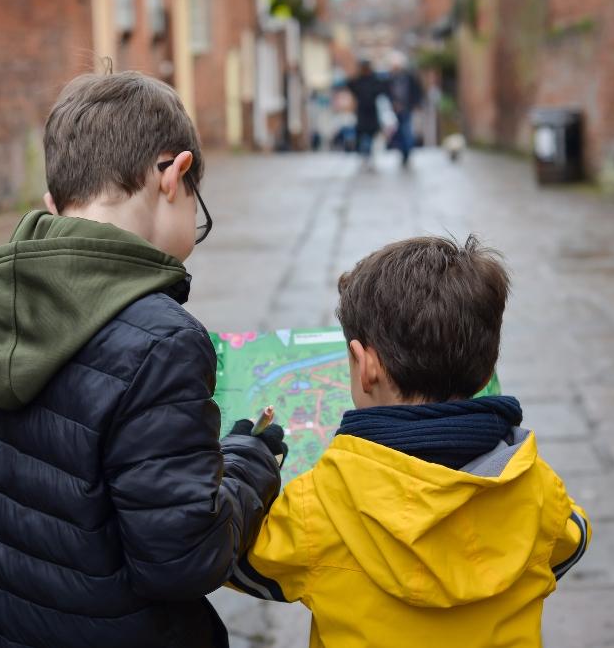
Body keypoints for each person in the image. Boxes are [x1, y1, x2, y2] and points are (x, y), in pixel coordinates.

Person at [0, 71, 286, 648]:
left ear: (55, 204)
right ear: (173, 174)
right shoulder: (163, 342)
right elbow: (181, 558)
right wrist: (248, 465)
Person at [229, 236, 591, 648]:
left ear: (366, 366)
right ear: (488, 362)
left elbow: (225, 557)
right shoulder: (537, 490)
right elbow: (572, 539)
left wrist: (243, 459)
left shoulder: (318, 506)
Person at [346, 59, 387, 170]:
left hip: (372, 113)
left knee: (370, 136)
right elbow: (350, 84)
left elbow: (382, 89)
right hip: (362, 113)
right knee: (364, 137)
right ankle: (365, 155)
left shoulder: (374, 80)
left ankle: (367, 155)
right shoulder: (359, 80)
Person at [387, 52, 424, 168]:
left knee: (405, 128)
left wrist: (415, 104)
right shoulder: (391, 78)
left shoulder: (409, 77)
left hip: (407, 107)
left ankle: (407, 151)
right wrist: (394, 103)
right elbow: (389, 93)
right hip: (396, 108)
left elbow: (416, 90)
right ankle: (404, 151)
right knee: (401, 129)